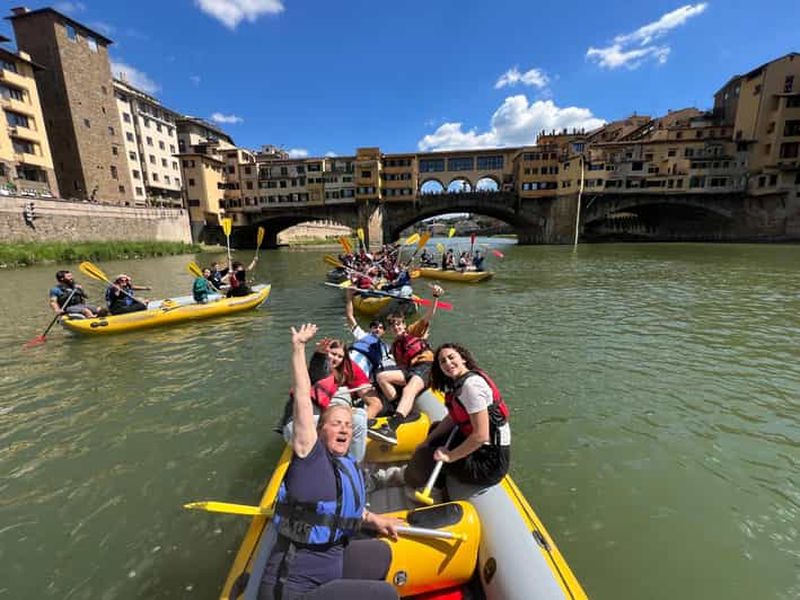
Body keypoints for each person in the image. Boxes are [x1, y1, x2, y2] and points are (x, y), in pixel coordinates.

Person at [258, 323, 401, 600]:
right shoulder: (309, 457)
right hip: (293, 588)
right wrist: (299, 348)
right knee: (385, 595)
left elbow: (341, 510)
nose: (345, 429)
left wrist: (374, 519)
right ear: (319, 430)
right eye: (336, 424)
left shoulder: (346, 465)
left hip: (330, 564)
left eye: (348, 425)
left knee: (381, 553)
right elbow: (302, 396)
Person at [404, 343, 510, 489]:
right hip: (484, 449)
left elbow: (481, 436)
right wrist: (427, 441)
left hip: (489, 462)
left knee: (428, 455)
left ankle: (408, 483)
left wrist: (449, 456)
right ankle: (438, 484)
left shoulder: (471, 387)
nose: (448, 363)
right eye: (443, 361)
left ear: (463, 359)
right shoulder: (461, 383)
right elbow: (454, 417)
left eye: (451, 357)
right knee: (435, 430)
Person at [369, 285, 444, 445]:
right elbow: (402, 369)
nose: (396, 328)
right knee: (382, 377)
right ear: (390, 330)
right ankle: (398, 409)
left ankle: (392, 428)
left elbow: (429, 315)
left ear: (403, 325)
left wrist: (435, 297)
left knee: (410, 388)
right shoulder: (395, 347)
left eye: (398, 325)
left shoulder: (413, 331)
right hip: (411, 371)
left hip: (426, 367)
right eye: (393, 326)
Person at [344, 289, 397, 403]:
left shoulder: (386, 348)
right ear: (370, 329)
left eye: (380, 328)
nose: (377, 329)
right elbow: (350, 316)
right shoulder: (362, 335)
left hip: (364, 371)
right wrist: (349, 298)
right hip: (350, 361)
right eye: (374, 327)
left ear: (384, 332)